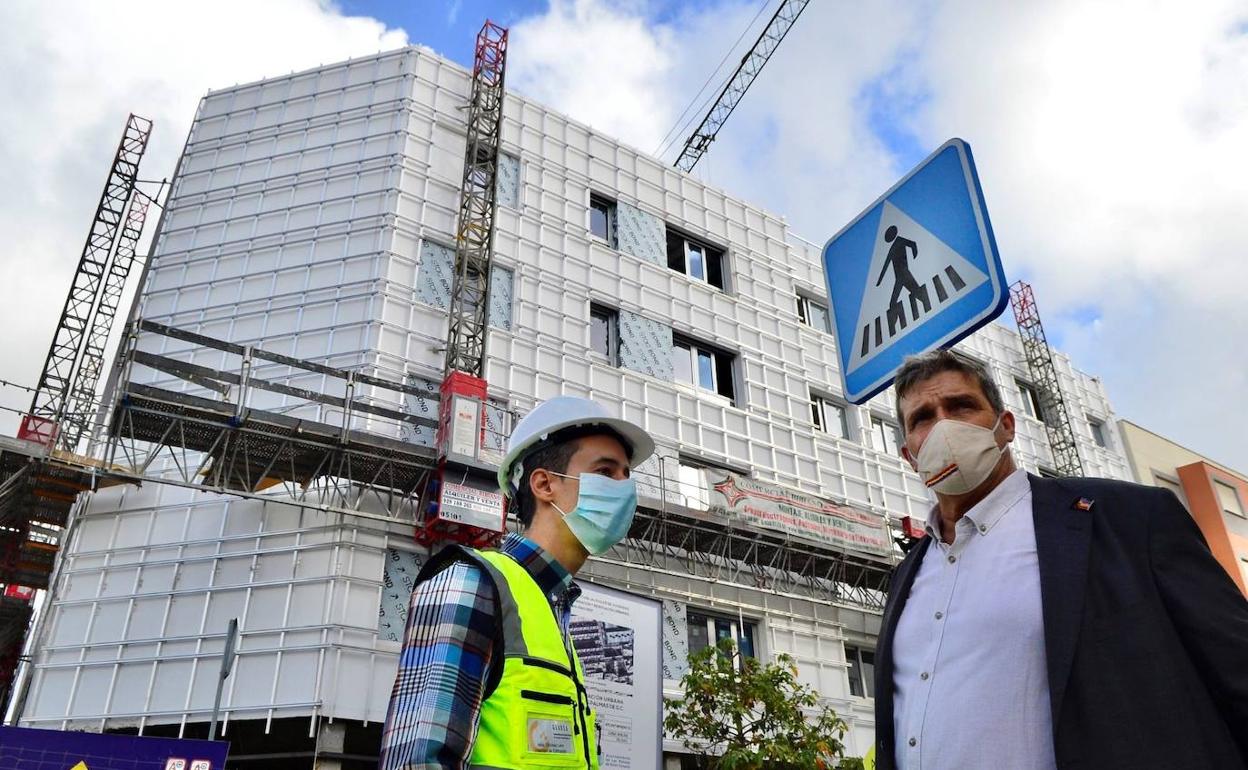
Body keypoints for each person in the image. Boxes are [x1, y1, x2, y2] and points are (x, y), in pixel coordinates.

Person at [872, 349, 1248, 770]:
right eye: (923, 418)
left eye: (961, 406)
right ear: (909, 455)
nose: (945, 426)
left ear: (1006, 426)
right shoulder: (907, 574)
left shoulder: (1130, 519)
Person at [379, 395, 655, 770]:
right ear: (544, 484)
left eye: (626, 475)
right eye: (606, 472)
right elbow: (416, 762)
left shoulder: (554, 617)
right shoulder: (473, 583)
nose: (624, 489)